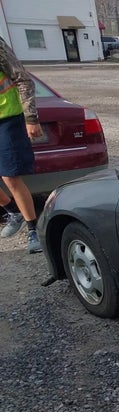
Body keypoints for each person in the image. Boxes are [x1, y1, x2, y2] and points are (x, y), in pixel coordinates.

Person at [0, 36, 42, 253]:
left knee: (10, 177)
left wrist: (31, 118)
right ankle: (12, 212)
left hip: (7, 119)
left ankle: (33, 231)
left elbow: (23, 79)